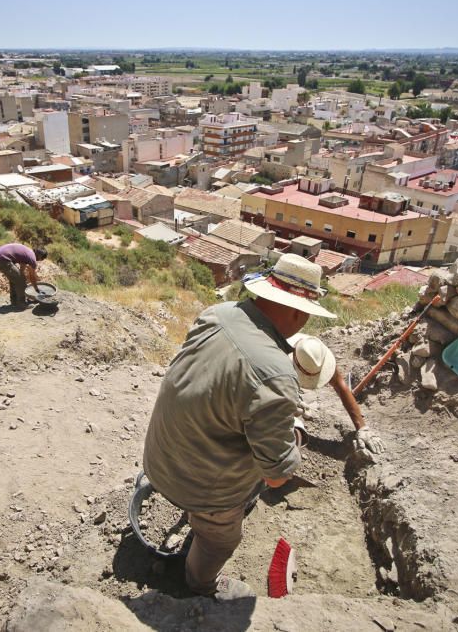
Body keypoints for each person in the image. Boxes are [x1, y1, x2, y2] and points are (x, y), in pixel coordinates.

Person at [142, 254, 384, 600]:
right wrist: (289, 448)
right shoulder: (275, 373)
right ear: (299, 311)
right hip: (198, 486)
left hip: (159, 458)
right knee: (221, 538)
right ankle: (200, 586)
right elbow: (275, 478)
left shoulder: (217, 314)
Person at [0, 243, 47, 309]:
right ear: (40, 256)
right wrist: (37, 290)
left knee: (15, 279)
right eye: (42, 259)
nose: (39, 261)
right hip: (3, 258)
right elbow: (32, 278)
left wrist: (21, 277)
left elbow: (22, 270)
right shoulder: (32, 258)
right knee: (21, 280)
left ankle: (14, 301)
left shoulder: (27, 253)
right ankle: (21, 303)